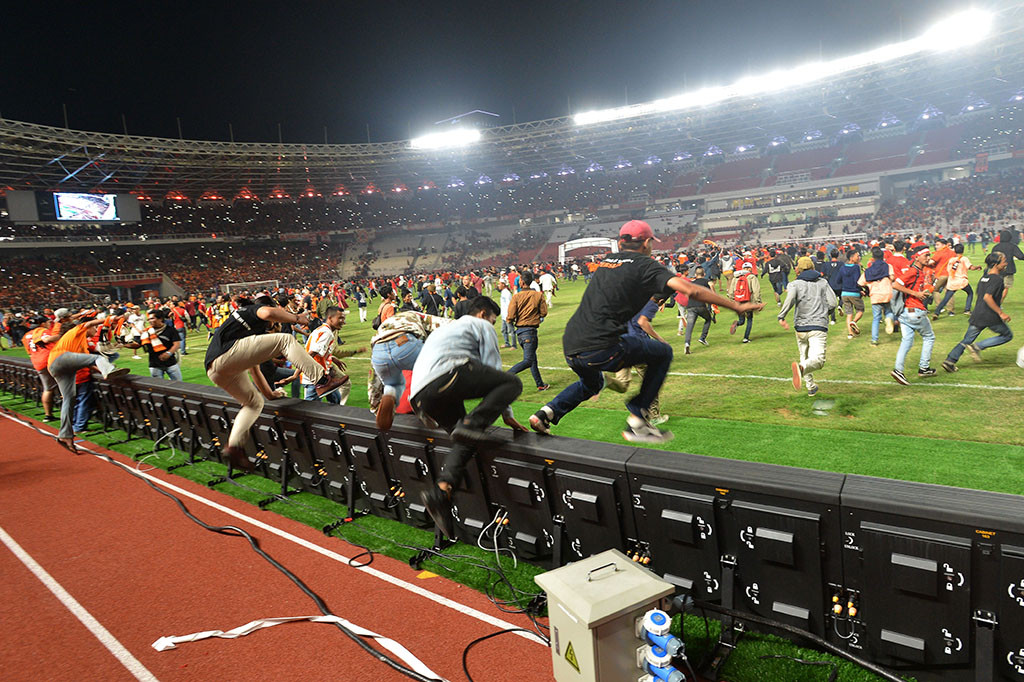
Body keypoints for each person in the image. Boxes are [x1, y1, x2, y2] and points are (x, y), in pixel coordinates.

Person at [529, 220, 763, 443]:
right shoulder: (647, 265)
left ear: (621, 243)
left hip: (571, 345)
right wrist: (736, 306)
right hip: (601, 347)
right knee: (662, 352)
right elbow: (690, 289)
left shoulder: (607, 261)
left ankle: (545, 414)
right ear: (646, 243)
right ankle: (638, 419)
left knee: (591, 384)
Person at [412, 296, 529, 539]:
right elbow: (493, 367)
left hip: (422, 397)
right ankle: (470, 425)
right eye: (493, 320)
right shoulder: (480, 325)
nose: (493, 325)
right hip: (445, 378)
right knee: (513, 383)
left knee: (465, 441)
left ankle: (441, 491)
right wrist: (506, 415)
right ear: (483, 313)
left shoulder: (446, 329)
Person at [204, 295, 346, 471]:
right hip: (225, 356)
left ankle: (234, 447)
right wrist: (297, 318)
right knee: (285, 340)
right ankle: (322, 380)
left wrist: (270, 395)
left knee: (253, 403)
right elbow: (267, 312)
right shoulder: (252, 310)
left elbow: (254, 369)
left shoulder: (249, 332)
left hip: (214, 370)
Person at [48, 316, 129, 451]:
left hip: (55, 367)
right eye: (94, 328)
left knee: (69, 399)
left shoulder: (82, 347)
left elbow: (90, 363)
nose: (95, 329)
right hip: (60, 359)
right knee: (97, 357)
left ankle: (65, 435)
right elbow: (90, 323)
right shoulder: (77, 330)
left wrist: (102, 372)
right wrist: (110, 319)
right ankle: (109, 369)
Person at [369, 309, 449, 429]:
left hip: (379, 352)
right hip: (403, 341)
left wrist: (375, 406)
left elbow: (372, 378)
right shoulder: (414, 315)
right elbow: (444, 323)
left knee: (392, 385)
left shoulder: (386, 324)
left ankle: (390, 394)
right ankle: (419, 401)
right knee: (436, 368)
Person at [942, 252, 1013, 372]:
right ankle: (978, 347)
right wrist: (1000, 312)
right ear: (996, 264)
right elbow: (987, 297)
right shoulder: (997, 280)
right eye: (1004, 261)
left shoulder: (983, 278)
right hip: (989, 316)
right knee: (1007, 335)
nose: (1006, 263)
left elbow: (980, 295)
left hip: (977, 314)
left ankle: (950, 361)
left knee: (966, 340)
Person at [778, 257, 837, 397]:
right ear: (813, 267)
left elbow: (790, 299)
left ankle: (811, 387)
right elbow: (833, 303)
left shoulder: (794, 284)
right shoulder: (823, 282)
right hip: (818, 326)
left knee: (804, 356)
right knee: (818, 360)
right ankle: (801, 369)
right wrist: (825, 312)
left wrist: (782, 316)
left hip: (800, 327)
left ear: (798, 269)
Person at [891, 245, 938, 385]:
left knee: (907, 341)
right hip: (915, 311)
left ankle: (898, 370)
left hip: (905, 313)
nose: (929, 258)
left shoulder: (919, 271)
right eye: (926, 255)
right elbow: (896, 285)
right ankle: (924, 368)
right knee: (929, 337)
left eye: (929, 255)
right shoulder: (913, 271)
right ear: (917, 256)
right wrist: (916, 294)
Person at [505, 270, 550, 391]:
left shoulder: (516, 297)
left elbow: (510, 316)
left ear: (521, 282)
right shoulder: (538, 295)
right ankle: (504, 377)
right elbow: (544, 313)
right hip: (530, 332)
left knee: (532, 359)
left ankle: (540, 384)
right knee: (528, 360)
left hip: (520, 332)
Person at [22, 314, 63, 422]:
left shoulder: (26, 335)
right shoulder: (42, 331)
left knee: (48, 388)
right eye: (48, 322)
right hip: (50, 360)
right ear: (42, 323)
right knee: (65, 385)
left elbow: (29, 353)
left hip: (37, 362)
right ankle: (71, 413)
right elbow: (52, 339)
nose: (49, 324)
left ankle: (48, 415)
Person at [121, 309, 183, 380]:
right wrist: (123, 345)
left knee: (179, 384)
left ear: (160, 319)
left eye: (152, 318)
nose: (150, 321)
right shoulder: (146, 332)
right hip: (154, 364)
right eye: (148, 319)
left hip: (171, 363)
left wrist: (168, 353)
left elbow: (177, 344)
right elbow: (137, 345)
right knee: (158, 387)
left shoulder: (170, 330)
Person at [859, 247, 895, 346]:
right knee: (889, 311)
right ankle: (888, 318)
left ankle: (874, 340)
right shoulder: (888, 266)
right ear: (883, 257)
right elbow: (892, 278)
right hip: (887, 292)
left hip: (875, 294)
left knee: (876, 318)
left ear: (873, 258)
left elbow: (860, 283)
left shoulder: (868, 270)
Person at [933, 243, 980, 318]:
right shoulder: (964, 259)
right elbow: (971, 267)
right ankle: (967, 310)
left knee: (946, 298)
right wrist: (977, 267)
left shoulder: (951, 260)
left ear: (954, 251)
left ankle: (937, 312)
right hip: (962, 281)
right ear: (963, 250)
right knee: (970, 293)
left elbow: (949, 270)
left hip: (952, 282)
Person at [728, 263, 762, 343]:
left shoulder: (736, 278)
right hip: (748, 302)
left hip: (738, 301)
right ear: (750, 268)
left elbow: (731, 291)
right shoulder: (752, 277)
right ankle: (746, 338)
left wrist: (733, 300)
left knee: (742, 320)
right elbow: (756, 290)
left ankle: (737, 323)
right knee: (749, 319)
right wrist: (758, 302)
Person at [683, 267, 713, 353]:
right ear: (704, 274)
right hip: (700, 305)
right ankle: (702, 338)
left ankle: (687, 343)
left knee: (689, 326)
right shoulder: (705, 281)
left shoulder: (691, 283)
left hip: (690, 306)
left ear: (695, 275)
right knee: (708, 319)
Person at [837, 248, 864, 340]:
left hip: (844, 293)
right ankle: (854, 322)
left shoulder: (842, 268)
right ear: (852, 258)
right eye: (857, 256)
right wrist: (861, 290)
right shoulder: (856, 267)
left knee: (849, 313)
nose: (859, 257)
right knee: (860, 310)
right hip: (854, 292)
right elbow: (858, 280)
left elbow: (838, 280)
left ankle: (850, 333)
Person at [992, 229, 1024, 300]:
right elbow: (1021, 256)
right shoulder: (1012, 246)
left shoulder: (996, 247)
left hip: (997, 269)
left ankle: (994, 301)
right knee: (1006, 287)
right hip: (1009, 269)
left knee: (997, 286)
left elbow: (992, 258)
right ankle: (999, 302)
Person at [497, 281, 518, 350]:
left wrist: (510, 314)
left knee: (511, 330)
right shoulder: (503, 292)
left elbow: (510, 304)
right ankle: (507, 343)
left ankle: (514, 345)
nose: (498, 285)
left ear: (503, 284)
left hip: (507, 314)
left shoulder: (507, 293)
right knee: (503, 330)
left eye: (499, 284)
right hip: (503, 315)